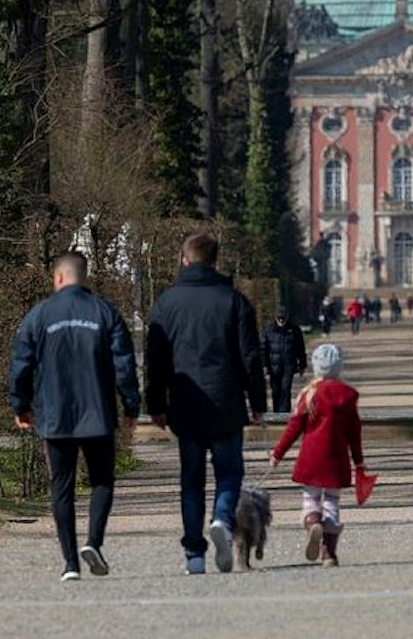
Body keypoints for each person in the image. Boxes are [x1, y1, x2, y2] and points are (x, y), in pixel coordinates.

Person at [9, 252, 141, 582]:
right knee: (102, 481)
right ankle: (93, 542)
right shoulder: (104, 312)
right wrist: (131, 405)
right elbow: (124, 364)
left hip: (55, 414)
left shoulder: (40, 315)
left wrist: (21, 405)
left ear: (58, 277)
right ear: (84, 276)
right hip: (98, 412)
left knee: (61, 487)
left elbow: (21, 363)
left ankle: (70, 563)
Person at [146, 233, 267, 576]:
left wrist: (155, 404)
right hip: (226, 401)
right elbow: (251, 357)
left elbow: (155, 361)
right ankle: (222, 520)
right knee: (229, 473)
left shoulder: (166, 303)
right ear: (215, 260)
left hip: (185, 403)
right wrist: (258, 402)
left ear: (184, 259)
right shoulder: (234, 301)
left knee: (191, 481)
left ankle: (194, 555)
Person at [269, 343, 367, 567]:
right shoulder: (348, 395)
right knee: (332, 502)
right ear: (339, 367)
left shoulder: (309, 394)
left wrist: (277, 454)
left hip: (311, 458)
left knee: (311, 499)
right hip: (337, 460)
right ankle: (329, 553)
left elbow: (293, 428)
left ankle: (313, 522)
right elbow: (354, 433)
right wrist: (359, 461)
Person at [263, 307, 307, 414]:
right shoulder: (269, 330)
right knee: (275, 390)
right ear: (275, 318)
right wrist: (264, 365)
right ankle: (277, 413)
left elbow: (300, 348)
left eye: (283, 318)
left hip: (289, 366)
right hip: (273, 367)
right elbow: (263, 349)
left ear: (287, 317)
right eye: (279, 318)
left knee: (285, 389)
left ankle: (284, 414)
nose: (281, 320)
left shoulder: (294, 330)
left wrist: (302, 364)